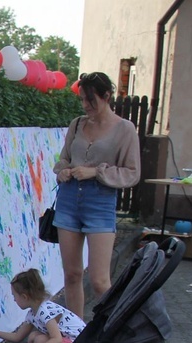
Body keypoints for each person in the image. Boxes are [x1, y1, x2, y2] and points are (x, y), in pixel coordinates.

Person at [52, 72, 141, 318]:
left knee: (100, 280)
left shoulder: (124, 129)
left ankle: (113, 330)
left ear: (107, 97)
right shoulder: (77, 124)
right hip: (69, 200)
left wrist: (95, 172)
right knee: (72, 274)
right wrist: (62, 171)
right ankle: (76, 333)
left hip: (100, 201)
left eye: (91, 100)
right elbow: (64, 158)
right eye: (82, 100)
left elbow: (132, 173)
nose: (85, 106)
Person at [0, 269, 86, 343]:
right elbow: (17, 337)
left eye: (14, 296)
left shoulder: (44, 311)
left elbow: (57, 339)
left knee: (40, 340)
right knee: (33, 337)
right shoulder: (33, 314)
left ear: (24, 297)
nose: (14, 300)